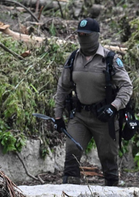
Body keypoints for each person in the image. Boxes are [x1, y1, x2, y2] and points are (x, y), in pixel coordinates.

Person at [53, 18, 133, 186]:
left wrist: (114, 107)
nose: (82, 38)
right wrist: (58, 117)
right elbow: (63, 87)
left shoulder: (110, 59)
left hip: (104, 118)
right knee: (72, 152)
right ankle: (69, 192)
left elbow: (126, 86)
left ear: (96, 36)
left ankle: (113, 192)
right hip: (80, 116)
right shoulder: (73, 58)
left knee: (108, 157)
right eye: (80, 34)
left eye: (86, 35)